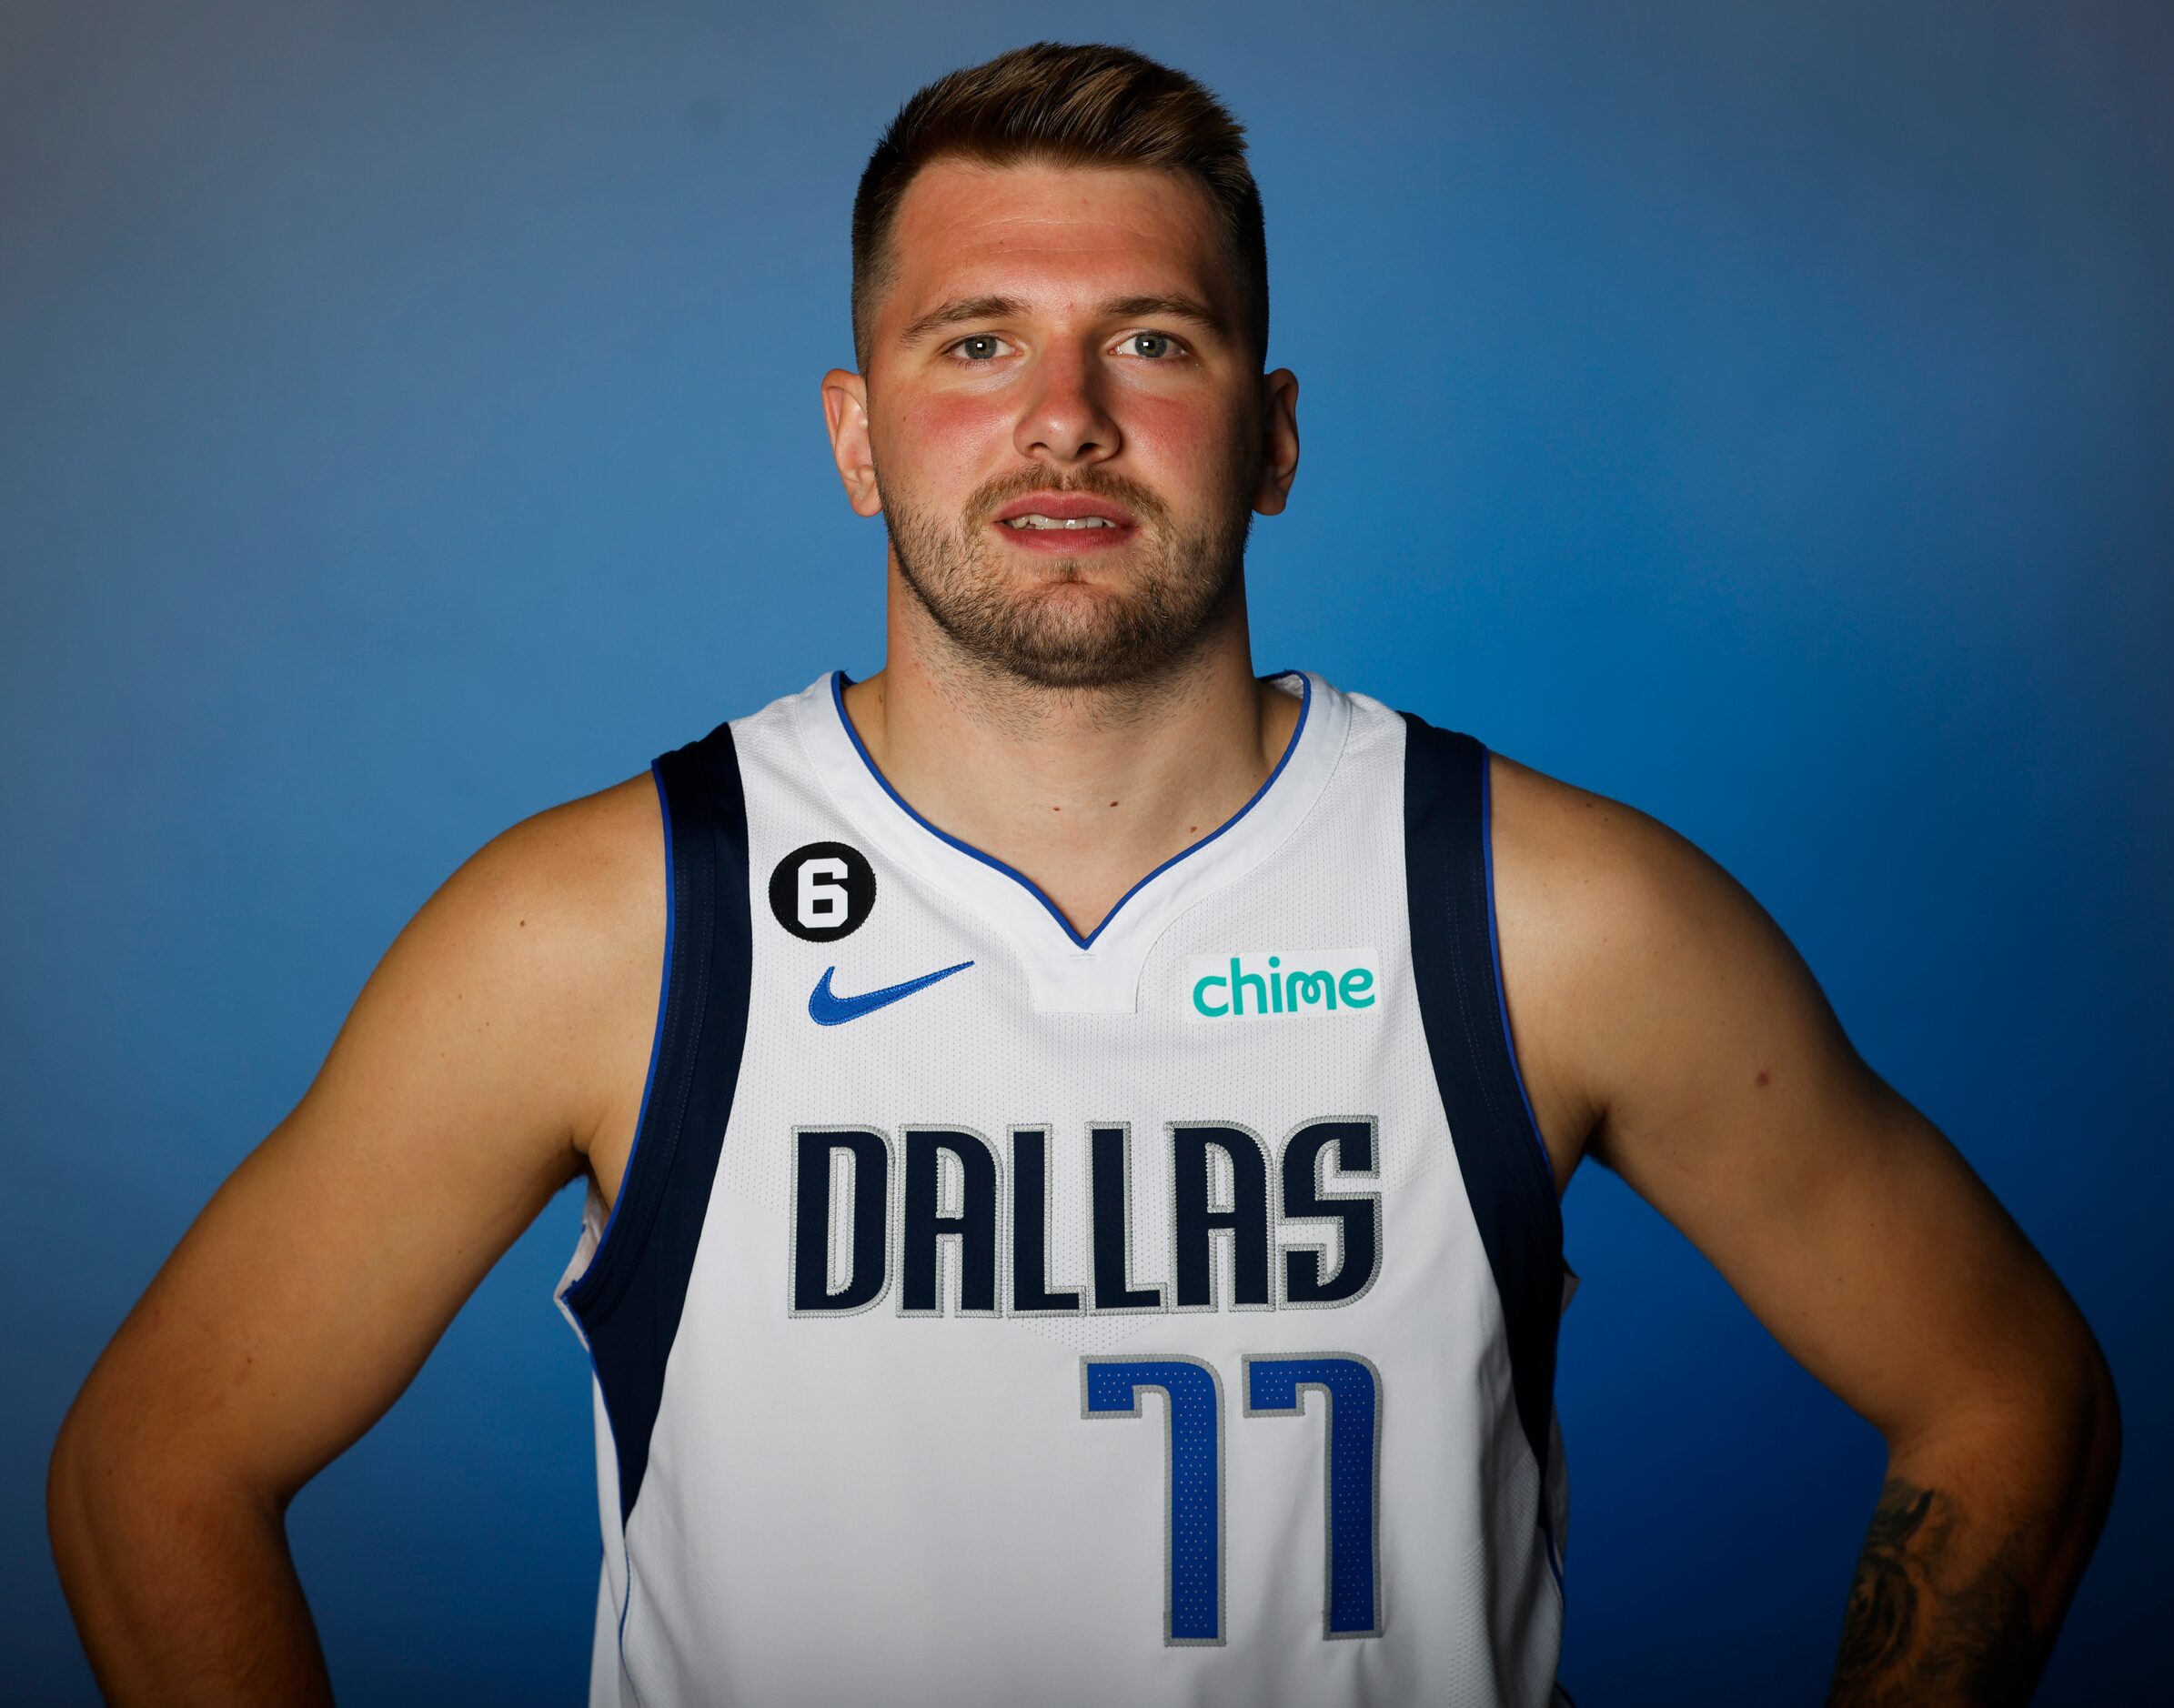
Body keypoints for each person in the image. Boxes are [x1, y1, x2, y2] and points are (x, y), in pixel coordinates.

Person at [48, 40, 2118, 1708]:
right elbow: (156, 1470)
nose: (1064, 421)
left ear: (1272, 431)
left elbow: (2006, 1391)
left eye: (1151, 343)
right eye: (973, 346)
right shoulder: (609, 927)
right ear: (858, 437)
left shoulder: (1537, 911)